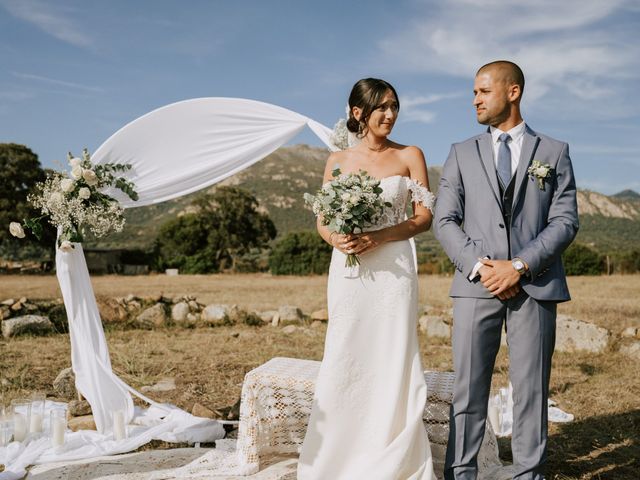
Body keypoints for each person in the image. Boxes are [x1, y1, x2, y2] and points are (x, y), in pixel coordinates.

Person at [434, 61, 579, 479]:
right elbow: (446, 221)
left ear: (512, 92)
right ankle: (461, 474)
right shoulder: (460, 152)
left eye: (483, 91)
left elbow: (565, 221)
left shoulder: (554, 152)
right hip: (475, 287)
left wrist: (519, 266)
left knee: (531, 392)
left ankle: (528, 474)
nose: (475, 100)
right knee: (468, 391)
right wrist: (483, 268)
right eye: (473, 93)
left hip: (534, 287)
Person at [297, 78, 436, 479]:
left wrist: (380, 236)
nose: (390, 114)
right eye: (382, 108)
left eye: (395, 106)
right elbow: (322, 220)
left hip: (394, 269)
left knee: (392, 351)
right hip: (349, 270)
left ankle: (390, 450)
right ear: (358, 113)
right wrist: (336, 238)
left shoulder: (411, 155)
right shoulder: (337, 161)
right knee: (346, 349)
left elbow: (423, 217)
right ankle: (338, 455)